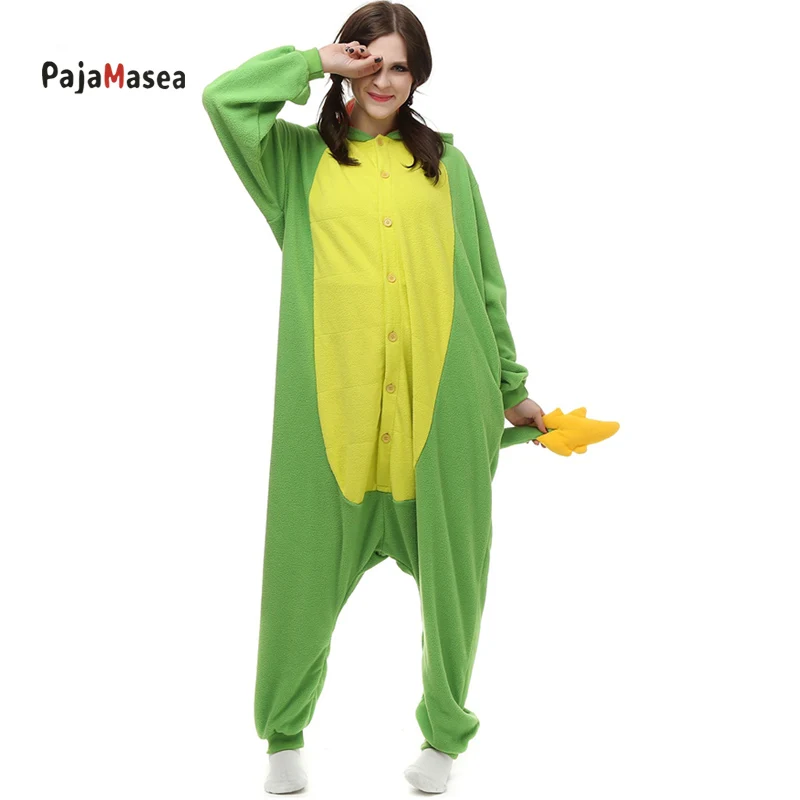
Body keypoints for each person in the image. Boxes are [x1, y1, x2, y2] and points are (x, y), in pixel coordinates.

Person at [201, 1, 547, 793]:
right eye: (368, 62)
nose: (384, 81)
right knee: (298, 580)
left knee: (456, 587)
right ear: (347, 64)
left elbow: (484, 285)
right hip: (333, 415)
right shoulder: (294, 162)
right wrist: (313, 62)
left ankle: (444, 738)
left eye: (399, 66)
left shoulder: (449, 167)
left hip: (443, 412)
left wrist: (513, 389)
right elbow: (223, 99)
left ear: (418, 74)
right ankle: (284, 735)